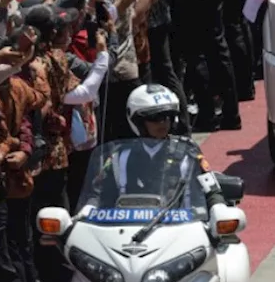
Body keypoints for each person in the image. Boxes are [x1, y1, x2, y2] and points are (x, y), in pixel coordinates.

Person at [85, 85, 226, 209]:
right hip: (127, 232)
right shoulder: (119, 156)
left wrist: (218, 207)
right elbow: (97, 193)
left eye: (168, 116)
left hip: (181, 231)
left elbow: (211, 188)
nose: (163, 122)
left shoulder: (188, 151)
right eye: (155, 117)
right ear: (138, 121)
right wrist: (86, 211)